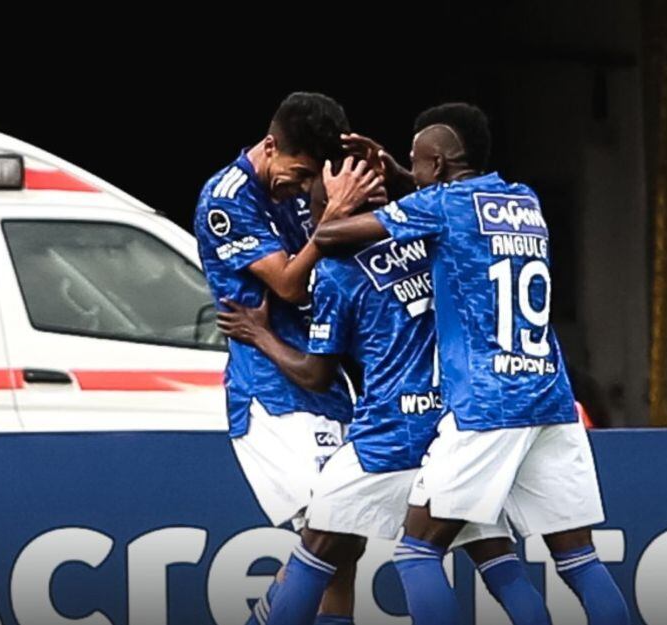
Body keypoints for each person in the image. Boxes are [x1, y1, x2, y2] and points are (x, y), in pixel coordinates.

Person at [311, 103, 630, 625]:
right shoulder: (525, 199)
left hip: (487, 404)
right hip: (549, 396)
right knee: (580, 559)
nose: (410, 172)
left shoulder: (441, 206)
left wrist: (338, 203)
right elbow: (449, 202)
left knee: (416, 553)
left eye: (416, 161)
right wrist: (398, 170)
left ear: (437, 165)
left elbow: (329, 237)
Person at [216, 173, 552, 625]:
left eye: (313, 213)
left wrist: (261, 334)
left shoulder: (338, 271)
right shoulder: (433, 248)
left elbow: (316, 375)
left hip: (388, 435)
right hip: (452, 429)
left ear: (327, 215)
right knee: (498, 559)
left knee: (317, 552)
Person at [194, 92, 382, 624]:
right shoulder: (226, 199)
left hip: (325, 378)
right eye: (298, 175)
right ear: (271, 145)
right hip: (272, 387)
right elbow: (289, 285)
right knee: (328, 533)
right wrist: (333, 221)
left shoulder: (304, 186)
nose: (301, 189)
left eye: (310, 181)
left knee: (347, 547)